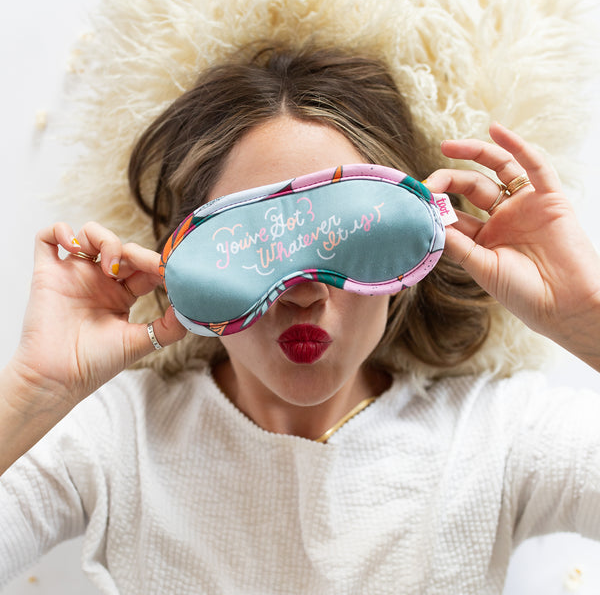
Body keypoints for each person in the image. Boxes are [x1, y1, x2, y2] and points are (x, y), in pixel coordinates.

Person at [1, 46, 599, 594]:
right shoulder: (114, 437)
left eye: (342, 239)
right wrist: (35, 390)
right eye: (257, 248)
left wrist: (586, 317)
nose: (306, 292)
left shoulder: (497, 438)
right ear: (180, 260)